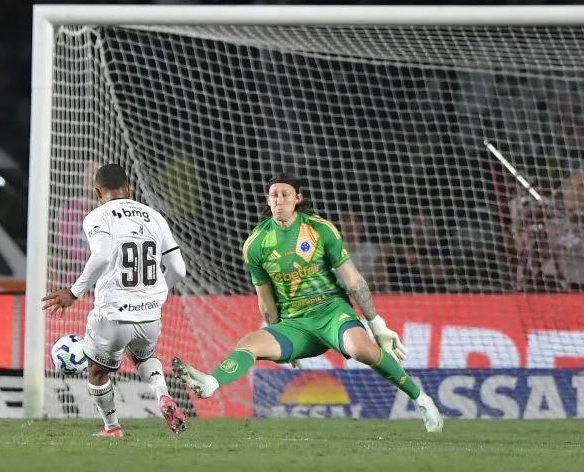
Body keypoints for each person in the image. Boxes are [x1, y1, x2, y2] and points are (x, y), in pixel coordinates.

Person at [172, 173, 443, 433]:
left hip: (331, 312)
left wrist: (377, 323)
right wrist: (280, 338)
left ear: (297, 198)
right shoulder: (255, 244)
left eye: (285, 194)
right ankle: (211, 382)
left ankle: (421, 400)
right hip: (296, 324)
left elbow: (353, 280)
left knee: (362, 351)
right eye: (273, 195)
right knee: (248, 344)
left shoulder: (319, 229)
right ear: (267, 200)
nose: (279, 200)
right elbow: (265, 302)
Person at [42, 163, 189, 438]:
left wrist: (73, 293)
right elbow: (179, 269)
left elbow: (101, 256)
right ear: (128, 189)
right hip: (149, 316)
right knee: (144, 357)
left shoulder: (97, 216)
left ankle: (112, 428)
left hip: (113, 315)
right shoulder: (155, 217)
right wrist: (155, 294)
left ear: (99, 193)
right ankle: (162, 396)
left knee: (97, 372)